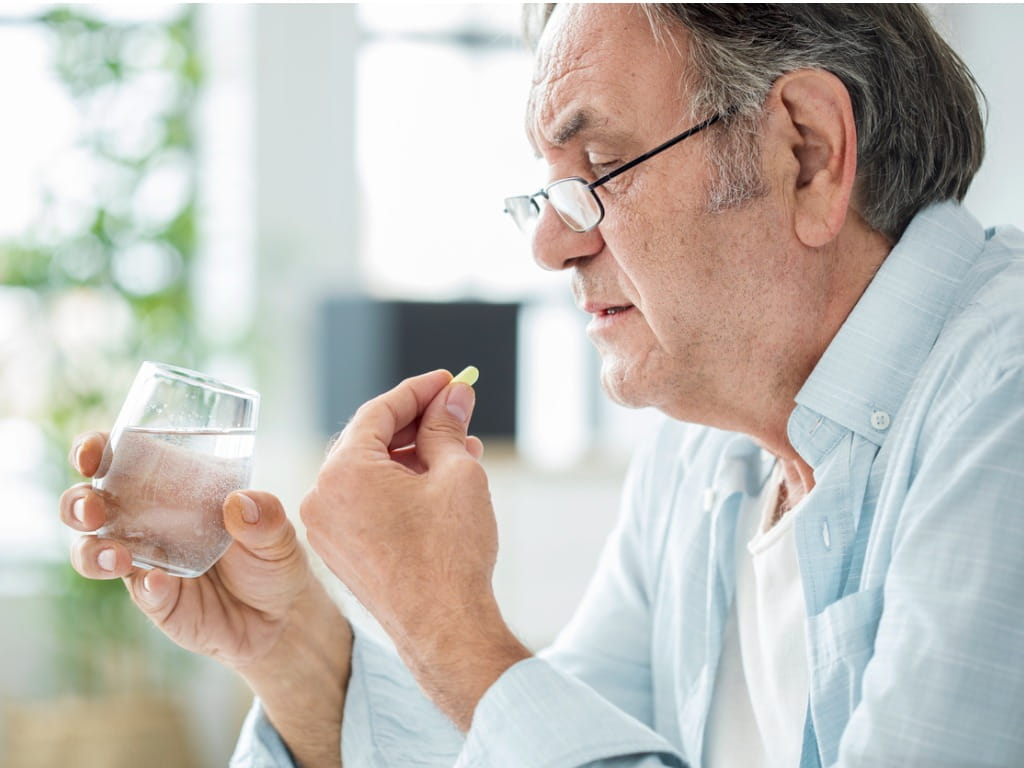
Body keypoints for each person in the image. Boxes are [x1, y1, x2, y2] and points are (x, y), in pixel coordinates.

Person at [59, 4, 1024, 766]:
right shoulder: (706, 455)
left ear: (807, 152)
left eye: (600, 168)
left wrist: (448, 625)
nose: (550, 243)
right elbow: (549, 742)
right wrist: (297, 658)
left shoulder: (1004, 398)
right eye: (549, 189)